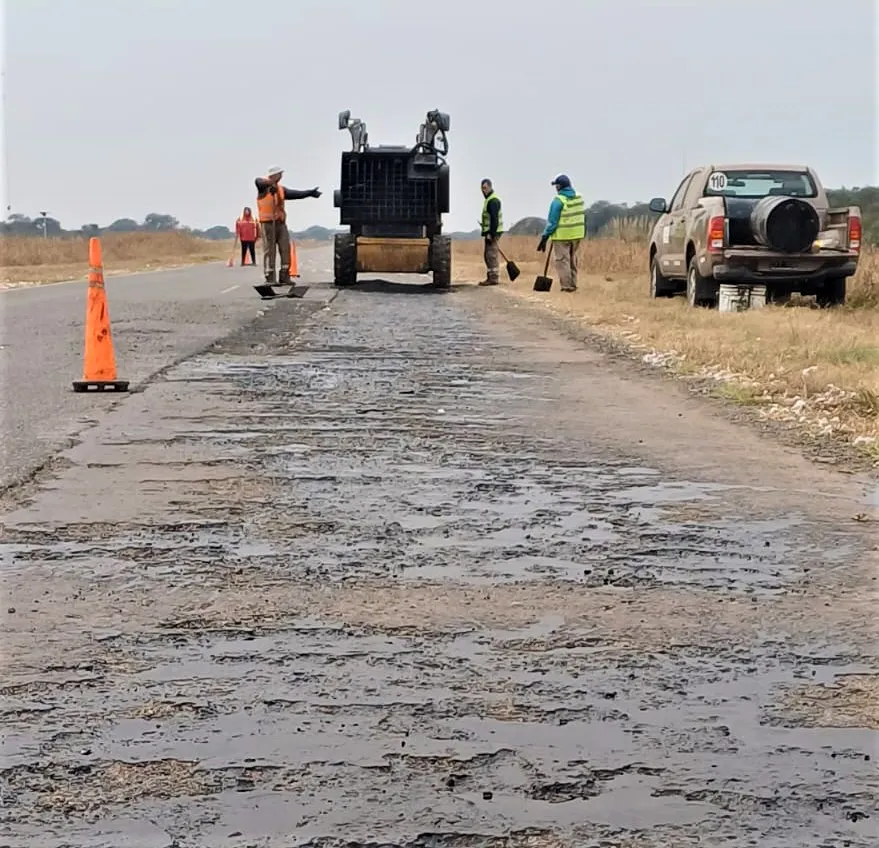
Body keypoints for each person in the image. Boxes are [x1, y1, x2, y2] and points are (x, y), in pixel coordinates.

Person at [255, 166, 322, 284]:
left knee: (285, 248)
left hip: (280, 224)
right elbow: (258, 181)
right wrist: (271, 184)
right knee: (270, 250)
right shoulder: (262, 186)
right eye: (279, 174)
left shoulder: (281, 189)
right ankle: (269, 277)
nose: (281, 177)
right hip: (268, 224)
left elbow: (295, 194)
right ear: (274, 175)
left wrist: (310, 193)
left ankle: (284, 276)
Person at [537, 174, 586, 292]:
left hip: (562, 236)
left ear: (559, 187)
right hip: (577, 235)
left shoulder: (558, 201)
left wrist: (544, 237)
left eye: (556, 186)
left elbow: (552, 223)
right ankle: (573, 284)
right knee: (572, 259)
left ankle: (566, 286)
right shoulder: (579, 197)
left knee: (562, 261)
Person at [478, 178, 504, 286]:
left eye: (485, 188)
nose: (483, 191)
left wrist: (491, 233)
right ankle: (491, 277)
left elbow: (494, 219)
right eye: (482, 189)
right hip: (490, 231)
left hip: (493, 233)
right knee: (488, 255)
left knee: (491, 255)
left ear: (490, 187)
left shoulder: (493, 201)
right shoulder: (488, 200)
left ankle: (493, 278)